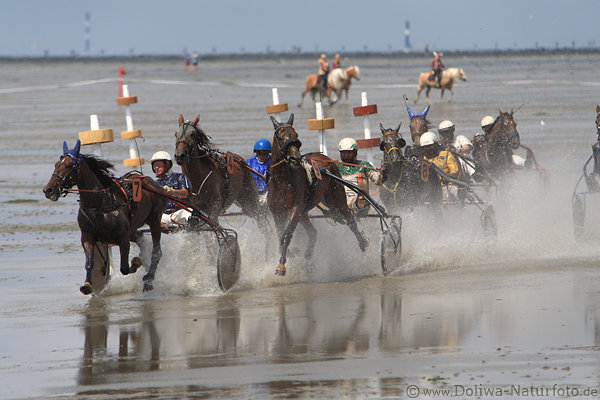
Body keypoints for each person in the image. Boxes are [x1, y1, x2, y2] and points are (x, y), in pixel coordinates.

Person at [336, 138, 386, 215]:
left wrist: (384, 175)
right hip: (341, 201)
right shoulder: (336, 167)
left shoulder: (364, 165)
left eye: (349, 153)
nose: (346, 155)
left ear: (355, 152)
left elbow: (378, 180)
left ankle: (360, 200)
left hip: (360, 204)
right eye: (344, 153)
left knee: (361, 189)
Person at [150, 151, 192, 226]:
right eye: (154, 166)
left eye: (159, 165)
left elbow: (185, 194)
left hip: (180, 212)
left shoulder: (181, 177)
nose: (156, 168)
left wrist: (171, 191)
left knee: (189, 214)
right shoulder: (155, 184)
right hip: (164, 216)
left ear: (167, 165)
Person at [420, 131, 460, 203]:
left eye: (430, 146)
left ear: (435, 144)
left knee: (453, 191)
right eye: (426, 147)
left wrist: (448, 178)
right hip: (432, 189)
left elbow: (455, 171)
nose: (428, 148)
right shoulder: (423, 159)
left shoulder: (446, 154)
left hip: (448, 185)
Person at [246, 139, 272, 204]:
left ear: (268, 153)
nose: (262, 156)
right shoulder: (249, 162)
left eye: (265, 153)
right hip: (253, 194)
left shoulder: (273, 162)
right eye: (259, 153)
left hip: (267, 194)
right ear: (256, 153)